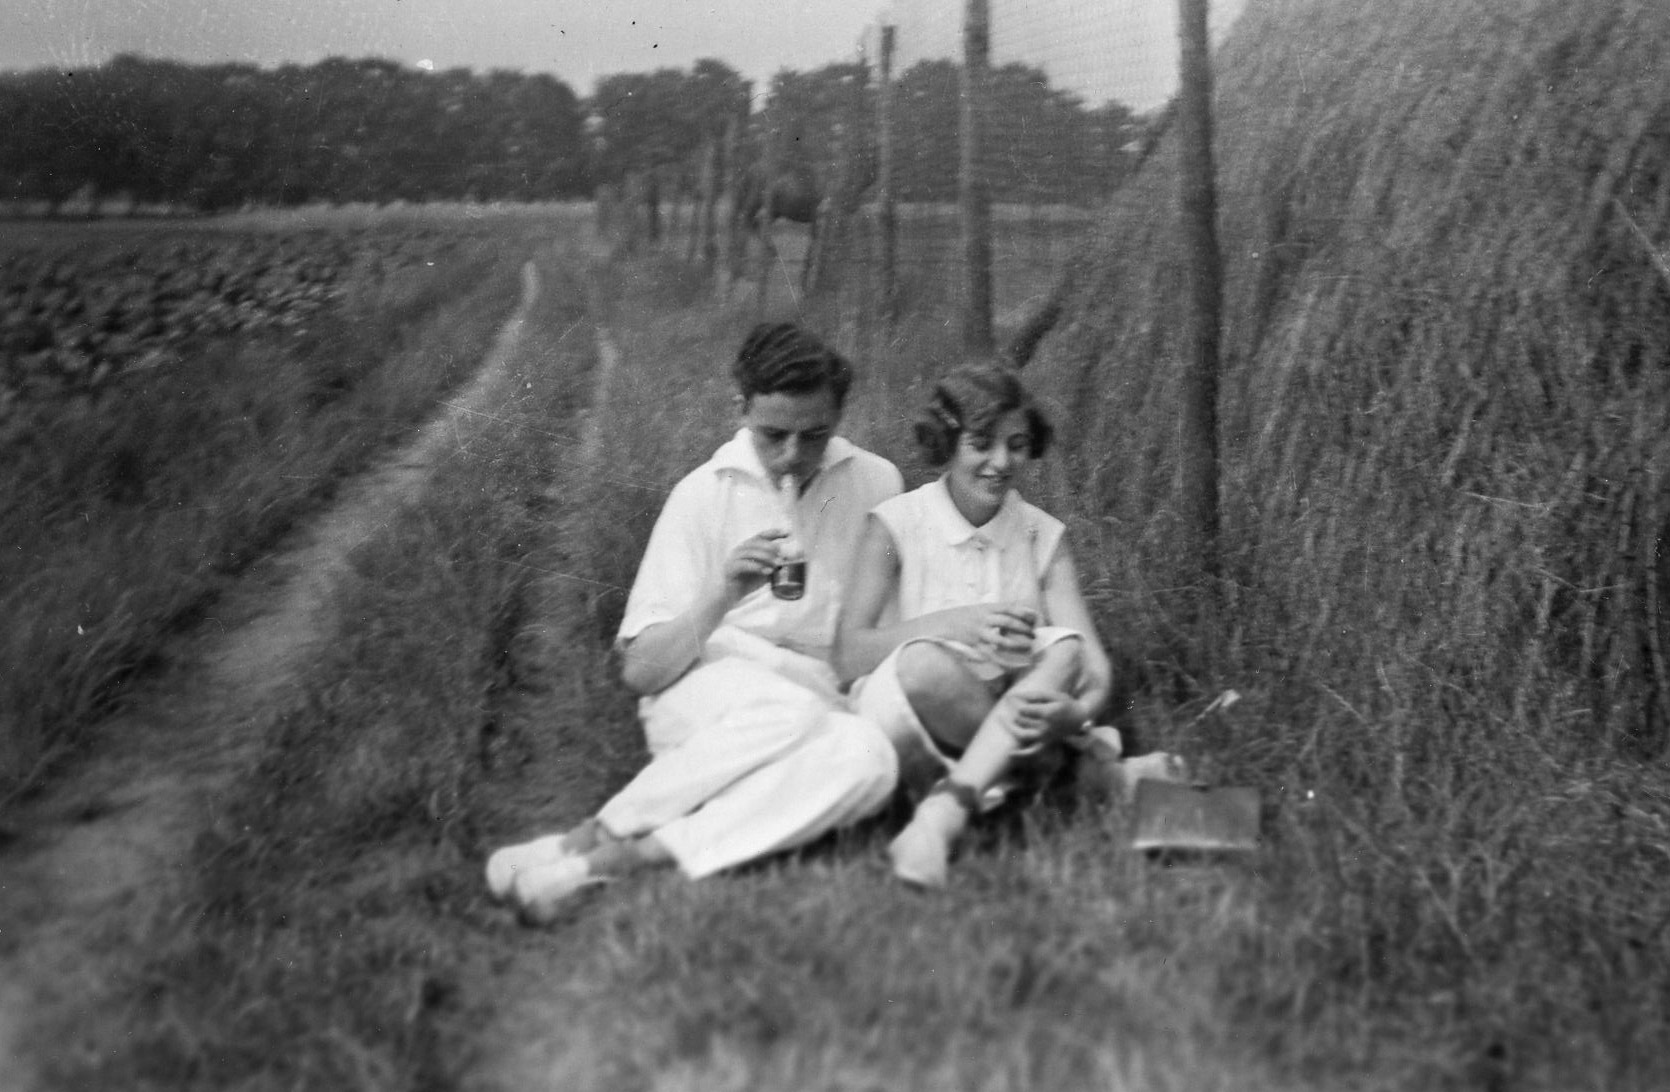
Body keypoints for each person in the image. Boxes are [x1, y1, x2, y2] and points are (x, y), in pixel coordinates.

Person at [486, 322, 904, 923]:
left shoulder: (877, 482)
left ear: (839, 417)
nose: (792, 456)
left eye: (814, 436)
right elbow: (641, 671)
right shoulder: (703, 494)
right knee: (792, 714)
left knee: (872, 760)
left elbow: (879, 625)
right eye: (773, 436)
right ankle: (599, 833)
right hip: (711, 692)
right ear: (741, 410)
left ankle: (616, 858)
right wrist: (722, 592)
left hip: (821, 696)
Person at [834, 360, 1115, 888]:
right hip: (912, 716)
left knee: (1065, 650)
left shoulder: (1042, 535)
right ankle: (1069, 772)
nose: (1000, 463)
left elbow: (1094, 668)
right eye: (981, 443)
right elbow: (847, 655)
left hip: (1012, 715)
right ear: (946, 442)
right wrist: (953, 624)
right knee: (922, 665)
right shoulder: (896, 523)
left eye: (1017, 444)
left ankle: (943, 815)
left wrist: (1075, 713)